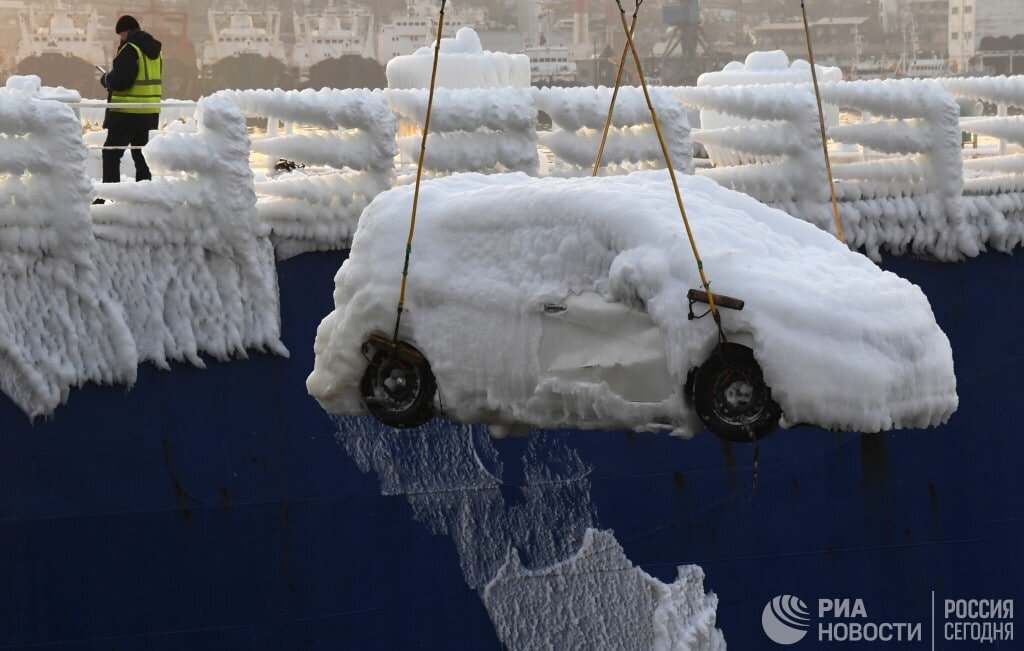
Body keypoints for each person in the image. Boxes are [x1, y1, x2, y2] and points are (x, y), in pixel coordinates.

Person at [98, 15, 162, 189]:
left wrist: (106, 79)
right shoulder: (154, 51)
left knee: (111, 153)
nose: (120, 38)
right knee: (140, 153)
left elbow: (121, 81)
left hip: (125, 113)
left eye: (121, 34)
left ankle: (110, 195)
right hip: (147, 111)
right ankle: (145, 191)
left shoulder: (129, 48)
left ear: (126, 32)